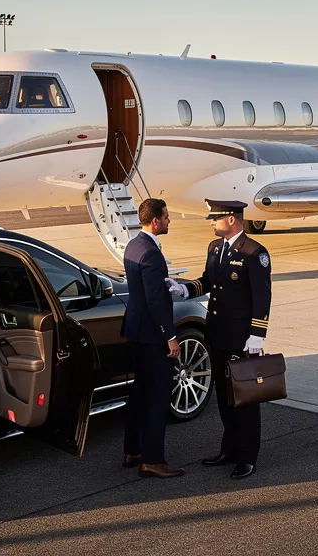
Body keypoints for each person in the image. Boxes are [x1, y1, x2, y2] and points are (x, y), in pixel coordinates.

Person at [178, 199, 271, 479]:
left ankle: (248, 456)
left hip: (241, 339)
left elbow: (262, 297)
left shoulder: (255, 253)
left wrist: (257, 335)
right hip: (217, 334)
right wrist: (185, 289)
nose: (212, 223)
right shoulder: (215, 248)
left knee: (243, 399)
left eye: (216, 219)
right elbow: (208, 281)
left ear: (231, 219)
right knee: (223, 397)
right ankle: (229, 448)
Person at [120, 198, 186, 478]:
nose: (170, 221)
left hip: (136, 330)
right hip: (152, 334)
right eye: (167, 217)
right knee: (159, 396)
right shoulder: (151, 254)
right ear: (156, 221)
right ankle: (153, 460)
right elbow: (155, 300)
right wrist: (170, 336)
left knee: (139, 392)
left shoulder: (134, 245)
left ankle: (132, 449)